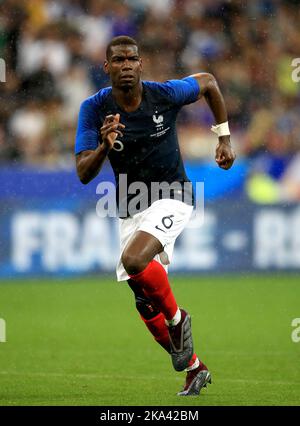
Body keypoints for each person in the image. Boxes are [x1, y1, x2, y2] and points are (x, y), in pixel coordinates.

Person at [75, 36, 235, 396]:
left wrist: (223, 138)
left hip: (173, 195)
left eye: (132, 59)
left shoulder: (163, 94)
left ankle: (179, 320)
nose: (126, 65)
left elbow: (208, 82)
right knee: (144, 302)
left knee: (133, 260)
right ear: (107, 67)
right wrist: (103, 145)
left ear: (141, 64)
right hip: (131, 206)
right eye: (118, 60)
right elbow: (84, 172)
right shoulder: (93, 109)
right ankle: (194, 367)